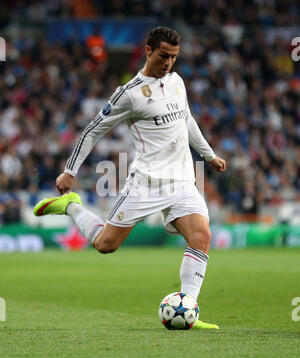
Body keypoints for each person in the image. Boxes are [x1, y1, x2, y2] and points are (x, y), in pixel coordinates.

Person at [34, 26, 226, 330]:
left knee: (202, 236)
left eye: (174, 57)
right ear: (148, 51)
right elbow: (92, 130)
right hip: (146, 183)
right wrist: (70, 171)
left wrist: (209, 154)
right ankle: (71, 206)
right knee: (106, 245)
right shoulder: (129, 95)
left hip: (182, 181)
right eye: (164, 56)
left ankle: (189, 308)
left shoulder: (176, 82)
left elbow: (187, 120)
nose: (168, 63)